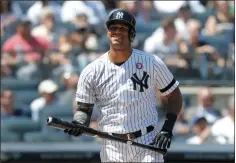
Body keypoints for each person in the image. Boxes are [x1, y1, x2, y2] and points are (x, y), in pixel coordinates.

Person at [64, 9, 182, 162]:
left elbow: (174, 95)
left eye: (123, 28)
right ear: (107, 32)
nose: (117, 32)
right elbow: (84, 109)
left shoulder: (151, 62)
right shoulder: (91, 70)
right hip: (111, 145)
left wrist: (167, 129)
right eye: (113, 28)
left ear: (132, 34)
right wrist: (79, 123)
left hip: (146, 141)